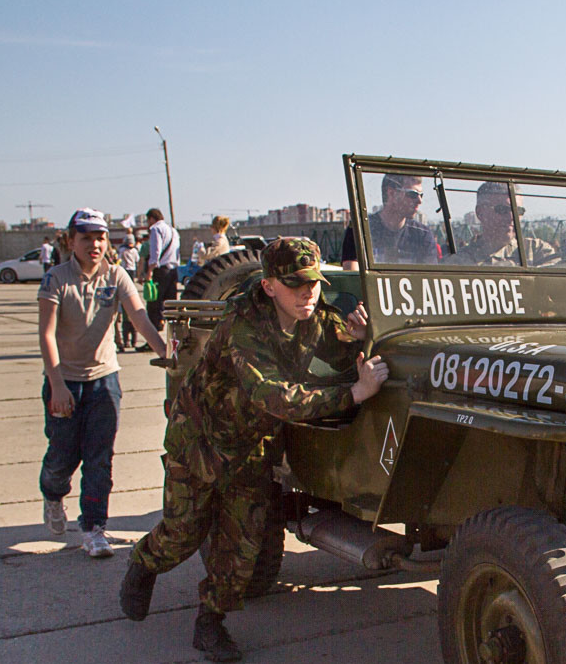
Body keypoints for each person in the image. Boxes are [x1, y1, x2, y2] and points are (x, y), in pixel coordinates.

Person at [119, 238, 388, 662]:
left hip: (252, 444)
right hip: (202, 439)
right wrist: (354, 393)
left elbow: (332, 347)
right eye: (296, 284)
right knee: (182, 533)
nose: (308, 293)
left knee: (243, 543)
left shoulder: (314, 314)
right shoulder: (242, 327)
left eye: (314, 283)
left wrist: (355, 340)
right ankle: (144, 563)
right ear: (268, 286)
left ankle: (210, 622)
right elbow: (273, 396)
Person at [37, 209, 167, 558]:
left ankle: (93, 528)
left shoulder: (116, 275)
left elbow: (139, 317)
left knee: (99, 459)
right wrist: (57, 385)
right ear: (71, 241)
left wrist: (166, 353)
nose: (94, 244)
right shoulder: (55, 279)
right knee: (62, 458)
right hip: (65, 381)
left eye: (100, 238)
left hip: (104, 381)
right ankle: (53, 495)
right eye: (86, 238)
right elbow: (46, 334)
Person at [340, 174, 437, 269]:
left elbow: (430, 276)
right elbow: (353, 273)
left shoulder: (422, 235)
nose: (419, 201)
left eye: (421, 195)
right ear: (391, 193)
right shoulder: (361, 230)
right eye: (413, 194)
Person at [453, 182, 558, 266]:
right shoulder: (460, 263)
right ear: (480, 213)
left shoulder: (536, 250)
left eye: (518, 211)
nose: (512, 217)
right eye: (502, 209)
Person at [144, 207, 180, 332]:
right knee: (170, 304)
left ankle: (153, 333)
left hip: (161, 270)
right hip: (173, 270)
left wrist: (150, 270)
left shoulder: (156, 229)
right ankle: (173, 332)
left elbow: (155, 251)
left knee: (154, 304)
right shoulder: (173, 230)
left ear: (151, 219)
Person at [116, 235, 142, 351]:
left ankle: (128, 341)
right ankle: (131, 341)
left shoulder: (124, 249)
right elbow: (137, 260)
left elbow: (119, 259)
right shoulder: (132, 250)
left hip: (127, 269)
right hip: (129, 270)